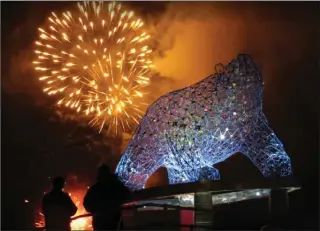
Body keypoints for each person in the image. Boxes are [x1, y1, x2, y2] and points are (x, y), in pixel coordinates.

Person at [84, 164, 131, 230]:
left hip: (101, 223)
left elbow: (87, 204)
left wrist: (96, 210)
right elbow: (127, 195)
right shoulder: (116, 186)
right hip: (114, 221)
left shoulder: (95, 189)